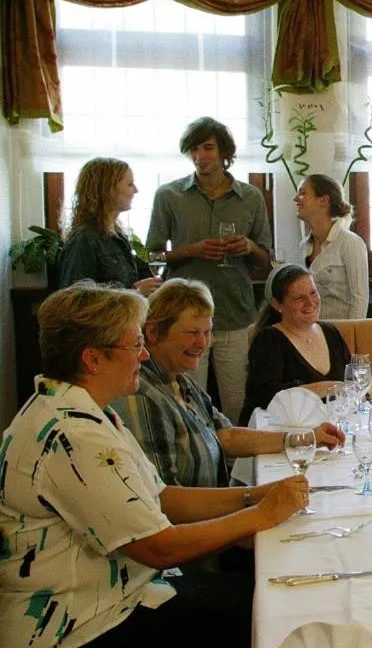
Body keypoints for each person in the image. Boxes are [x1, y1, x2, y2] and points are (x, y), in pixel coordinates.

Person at [0, 283, 308, 648]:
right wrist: (263, 514)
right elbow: (158, 549)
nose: (143, 355)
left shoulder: (83, 410)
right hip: (75, 627)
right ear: (93, 359)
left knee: (263, 595)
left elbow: (160, 497)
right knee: (261, 615)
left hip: (116, 592)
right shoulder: (73, 434)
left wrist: (252, 496)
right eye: (133, 346)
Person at [111, 278, 343, 490]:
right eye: (192, 332)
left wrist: (305, 439)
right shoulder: (142, 396)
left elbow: (227, 436)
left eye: (207, 332)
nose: (202, 343)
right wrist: (254, 499)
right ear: (152, 332)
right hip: (198, 527)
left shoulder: (180, 381)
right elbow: (166, 500)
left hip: (215, 511)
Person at [146, 116, 273, 424]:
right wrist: (191, 250)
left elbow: (266, 259)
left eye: (208, 148)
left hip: (234, 313)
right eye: (194, 149)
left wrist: (249, 248)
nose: (200, 155)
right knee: (186, 402)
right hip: (184, 318)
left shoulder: (251, 197)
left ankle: (236, 470)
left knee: (237, 405)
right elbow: (153, 255)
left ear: (224, 152)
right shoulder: (169, 195)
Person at [240, 264, 352, 424]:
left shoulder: (330, 332)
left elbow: (351, 380)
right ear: (278, 305)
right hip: (284, 434)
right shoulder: (269, 339)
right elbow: (265, 397)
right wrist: (326, 387)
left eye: (313, 293)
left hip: (330, 427)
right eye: (299, 298)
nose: (310, 302)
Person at [59, 157, 162, 296]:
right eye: (130, 184)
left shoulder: (119, 236)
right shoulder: (84, 239)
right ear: (107, 188)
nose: (136, 190)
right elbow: (74, 299)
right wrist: (135, 293)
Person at [296, 173, 369, 319]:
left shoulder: (350, 243)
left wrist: (350, 338)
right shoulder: (304, 246)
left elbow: (359, 300)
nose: (296, 199)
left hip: (341, 333)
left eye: (303, 193)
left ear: (323, 200)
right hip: (312, 333)